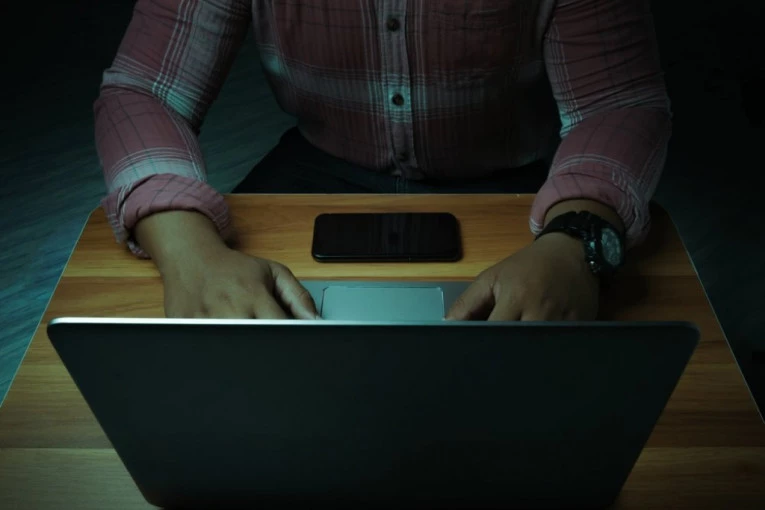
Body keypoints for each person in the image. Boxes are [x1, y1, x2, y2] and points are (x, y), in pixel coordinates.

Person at [94, 0, 671, 321]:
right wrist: (187, 250)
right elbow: (145, 90)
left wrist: (576, 238)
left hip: (511, 184)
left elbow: (618, 103)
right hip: (317, 164)